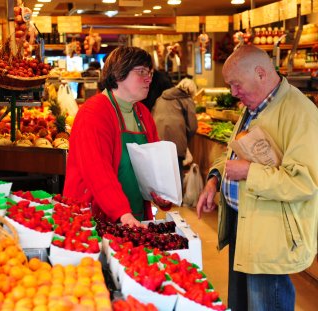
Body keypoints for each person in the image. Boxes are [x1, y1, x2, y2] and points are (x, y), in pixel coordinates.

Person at [196, 45, 318, 311]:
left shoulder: (300, 113)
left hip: (271, 236)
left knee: (265, 304)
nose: (233, 93)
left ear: (261, 73)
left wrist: (249, 172)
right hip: (245, 226)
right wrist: (214, 180)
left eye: (236, 84)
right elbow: (233, 154)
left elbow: (305, 182)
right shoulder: (253, 106)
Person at [63, 46, 172, 227]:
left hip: (131, 215)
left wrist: (162, 194)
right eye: (141, 71)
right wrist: (121, 212)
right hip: (93, 216)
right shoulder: (94, 112)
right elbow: (97, 170)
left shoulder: (142, 113)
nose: (149, 78)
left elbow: (154, 165)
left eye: (150, 72)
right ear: (119, 74)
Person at [152, 77, 198, 187]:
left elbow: (152, 114)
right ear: (191, 91)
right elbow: (193, 126)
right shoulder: (187, 100)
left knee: (161, 172)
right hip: (175, 141)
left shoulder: (161, 98)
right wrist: (185, 137)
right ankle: (177, 200)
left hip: (157, 139)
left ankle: (162, 198)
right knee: (176, 171)